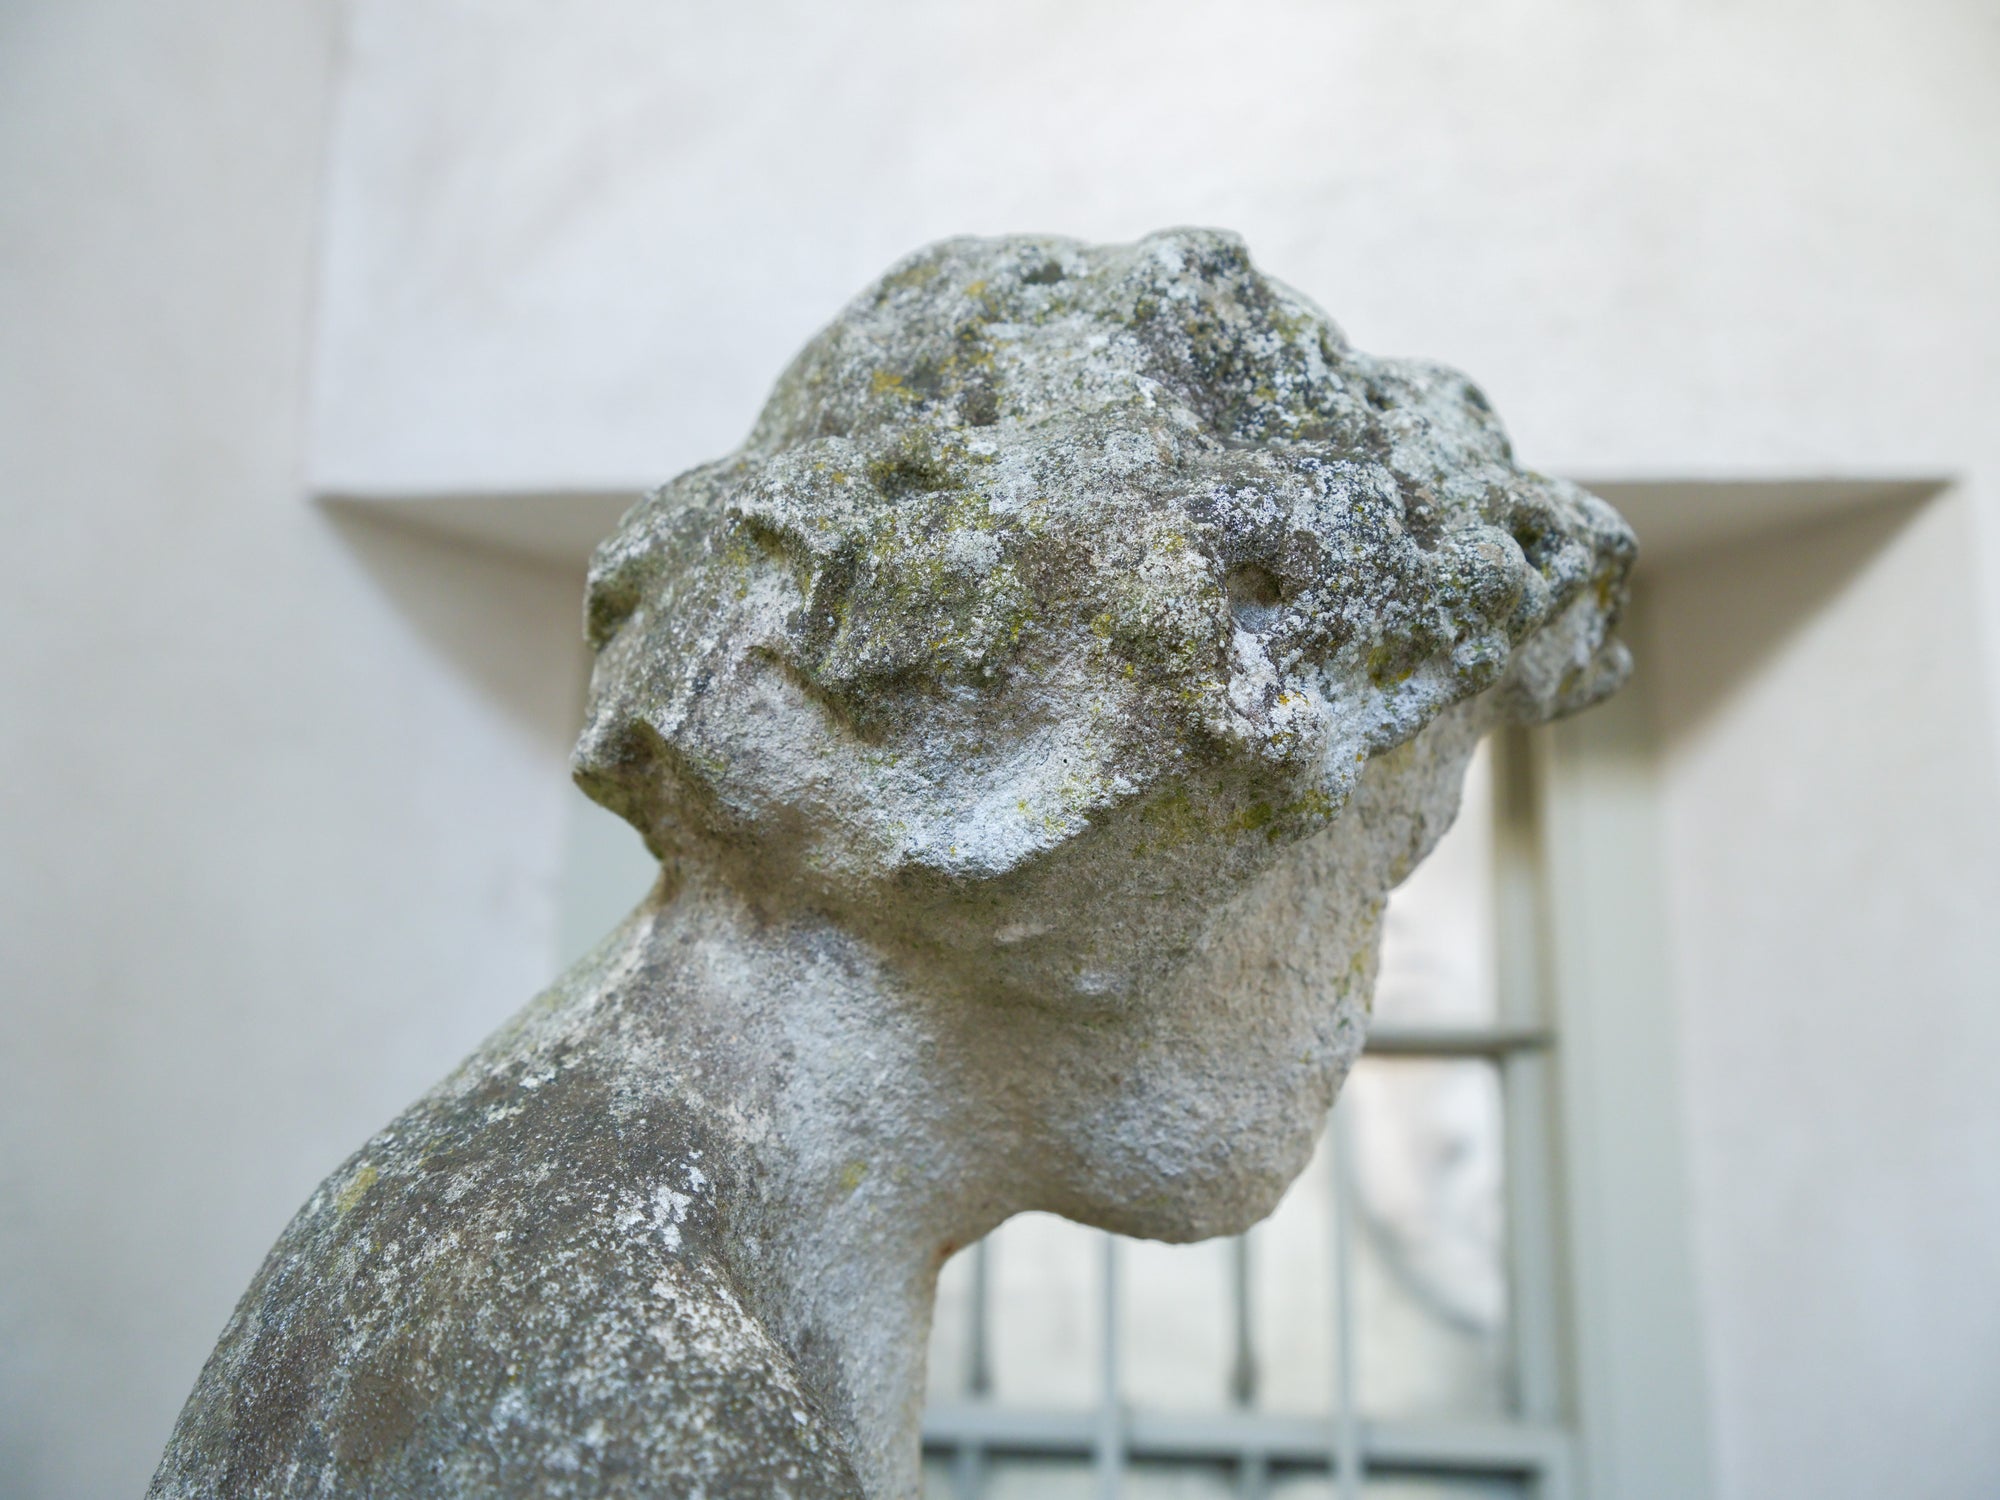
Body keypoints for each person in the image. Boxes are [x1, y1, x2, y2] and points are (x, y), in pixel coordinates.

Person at [150, 229, 1632, 1500]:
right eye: (1381, 859)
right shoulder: (630, 1393)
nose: (1363, 970)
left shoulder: (607, 1239)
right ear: (1091, 805)